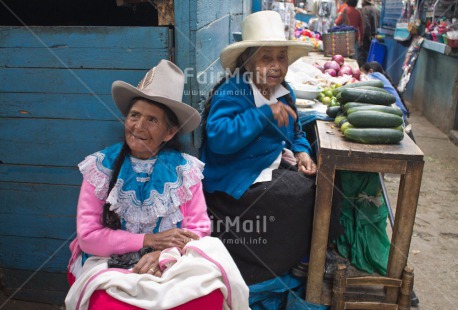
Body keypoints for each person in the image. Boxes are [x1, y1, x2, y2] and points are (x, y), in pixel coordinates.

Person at [65, 60, 249, 310]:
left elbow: (199, 229)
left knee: (208, 299)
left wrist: (163, 254)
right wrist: (149, 240)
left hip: (172, 262)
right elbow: (89, 237)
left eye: (152, 120)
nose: (138, 126)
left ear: (169, 132)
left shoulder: (186, 171)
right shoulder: (100, 168)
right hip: (112, 264)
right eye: (134, 115)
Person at [201, 11, 335, 309]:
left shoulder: (283, 93)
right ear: (248, 62)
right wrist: (263, 114)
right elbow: (219, 138)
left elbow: (296, 130)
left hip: (267, 167)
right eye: (266, 58)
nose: (276, 66)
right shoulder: (233, 92)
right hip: (234, 182)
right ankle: (292, 261)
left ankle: (309, 254)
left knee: (323, 183)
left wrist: (302, 153)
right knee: (299, 194)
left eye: (281, 58)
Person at [360, 61, 415, 141]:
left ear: (371, 71)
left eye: (364, 73)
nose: (363, 75)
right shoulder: (382, 77)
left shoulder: (374, 76)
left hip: (397, 114)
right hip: (397, 113)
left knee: (407, 142)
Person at [358, 0, 380, 66]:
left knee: (363, 57)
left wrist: (363, 38)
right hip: (374, 36)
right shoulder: (376, 10)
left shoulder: (365, 10)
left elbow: (366, 25)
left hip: (367, 37)